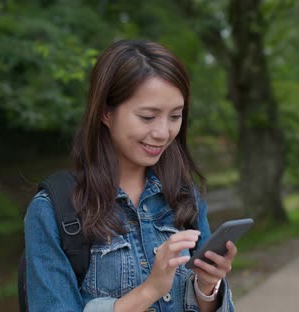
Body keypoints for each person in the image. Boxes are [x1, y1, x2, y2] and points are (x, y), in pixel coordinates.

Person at [23, 39, 237, 311]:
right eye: (148, 117)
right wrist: (150, 291)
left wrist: (207, 288)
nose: (163, 133)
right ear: (105, 113)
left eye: (175, 116)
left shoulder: (184, 195)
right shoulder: (54, 210)